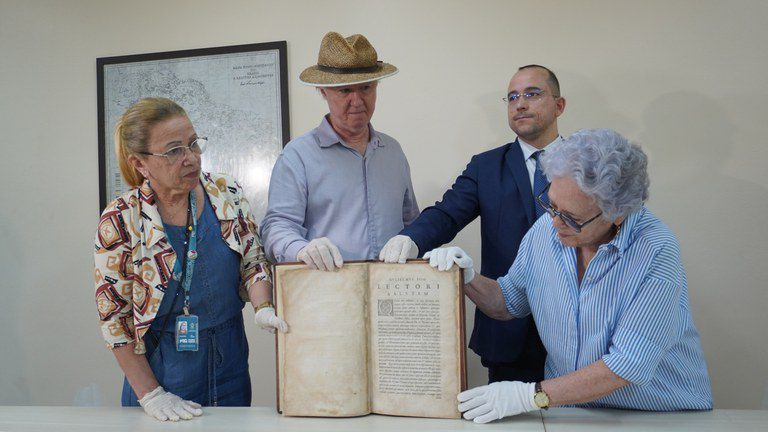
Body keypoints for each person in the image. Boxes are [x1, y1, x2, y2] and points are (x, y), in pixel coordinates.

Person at [426, 129, 713, 423]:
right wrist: (467, 276)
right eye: (551, 205)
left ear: (617, 213)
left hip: (656, 415)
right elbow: (509, 302)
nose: (555, 222)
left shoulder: (655, 249)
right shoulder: (546, 230)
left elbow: (627, 363)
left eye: (572, 218)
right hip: (572, 413)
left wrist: (529, 396)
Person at [94, 97, 287, 421]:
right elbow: (115, 319)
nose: (191, 158)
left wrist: (263, 306)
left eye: (193, 144)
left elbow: (253, 261)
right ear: (140, 164)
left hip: (230, 361)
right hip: (162, 369)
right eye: (174, 151)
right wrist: (152, 395)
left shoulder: (226, 192)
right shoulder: (121, 219)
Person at [380, 65, 565, 383]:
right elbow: (447, 214)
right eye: (512, 97)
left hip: (577, 329)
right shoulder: (487, 167)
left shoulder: (589, 162)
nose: (520, 104)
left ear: (559, 104)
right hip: (509, 334)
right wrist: (411, 239)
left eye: (532, 94)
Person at [260, 31, 419, 270]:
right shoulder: (298, 156)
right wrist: (301, 249)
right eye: (345, 91)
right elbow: (277, 227)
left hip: (391, 294)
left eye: (366, 88)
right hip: (329, 294)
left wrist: (418, 243)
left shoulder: (393, 151)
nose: (357, 101)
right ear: (323, 91)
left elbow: (411, 223)